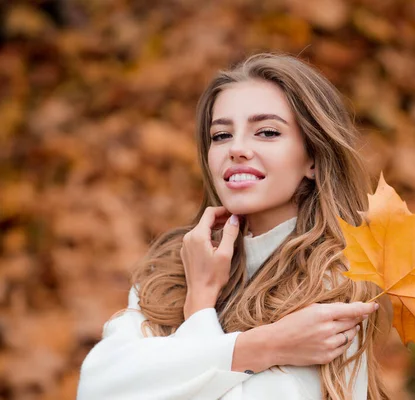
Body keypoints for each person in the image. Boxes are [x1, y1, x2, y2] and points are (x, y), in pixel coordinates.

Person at [77, 53, 389, 400]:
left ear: (313, 158)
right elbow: (96, 388)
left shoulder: (338, 281)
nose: (237, 149)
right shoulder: (170, 268)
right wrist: (260, 344)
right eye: (221, 135)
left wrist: (195, 319)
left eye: (267, 132)